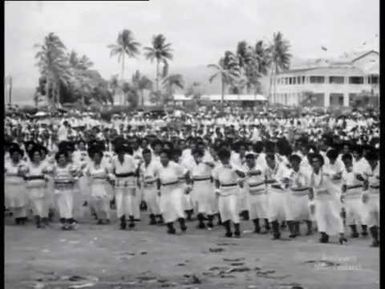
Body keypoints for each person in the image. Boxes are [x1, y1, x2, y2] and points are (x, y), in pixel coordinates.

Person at [309, 154, 347, 244]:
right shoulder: (311, 174)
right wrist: (310, 198)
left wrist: (335, 176)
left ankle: (341, 235)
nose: (315, 163)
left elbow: (337, 176)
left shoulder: (326, 171)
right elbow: (310, 187)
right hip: (319, 199)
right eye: (313, 162)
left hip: (330, 198)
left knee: (335, 216)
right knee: (321, 217)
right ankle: (324, 235)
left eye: (317, 161)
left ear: (321, 163)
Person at [212, 148, 245, 238]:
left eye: (224, 158)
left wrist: (234, 169)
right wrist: (217, 189)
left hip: (233, 189)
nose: (223, 160)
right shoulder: (218, 167)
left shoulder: (234, 165)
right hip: (223, 190)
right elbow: (216, 179)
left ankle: (237, 230)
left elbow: (243, 175)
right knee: (223, 211)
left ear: (228, 158)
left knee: (232, 209)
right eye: (221, 159)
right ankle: (228, 230)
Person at [154, 149, 188, 234]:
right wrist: (158, 189)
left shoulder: (175, 166)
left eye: (165, 157)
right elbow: (158, 179)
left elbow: (186, 173)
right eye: (161, 157)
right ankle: (170, 226)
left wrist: (188, 185)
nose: (163, 159)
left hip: (175, 187)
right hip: (165, 189)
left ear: (168, 158)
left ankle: (181, 221)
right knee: (165, 207)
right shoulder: (158, 167)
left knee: (177, 204)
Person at [111, 142, 138, 230]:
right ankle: (122, 219)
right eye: (119, 153)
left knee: (129, 199)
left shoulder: (130, 158)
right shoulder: (114, 159)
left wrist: (133, 174)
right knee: (119, 200)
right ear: (117, 153)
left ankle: (131, 218)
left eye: (122, 152)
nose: (121, 154)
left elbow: (135, 167)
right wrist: (112, 178)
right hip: (119, 180)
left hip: (129, 178)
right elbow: (112, 170)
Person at [188, 148, 217, 230]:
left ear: (201, 155)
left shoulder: (206, 162)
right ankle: (200, 222)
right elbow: (190, 176)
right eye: (194, 155)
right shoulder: (191, 164)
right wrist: (190, 185)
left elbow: (213, 165)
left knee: (208, 203)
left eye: (197, 155)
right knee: (196, 203)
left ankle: (210, 222)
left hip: (206, 183)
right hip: (196, 184)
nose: (195, 157)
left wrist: (204, 161)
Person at [285, 154, 312, 238]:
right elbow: (286, 183)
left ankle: (309, 229)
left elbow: (310, 182)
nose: (293, 163)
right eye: (292, 161)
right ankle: (296, 230)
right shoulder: (289, 172)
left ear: (299, 162)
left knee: (307, 212)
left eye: (295, 161)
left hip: (304, 193)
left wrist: (310, 192)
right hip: (294, 194)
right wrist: (287, 183)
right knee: (295, 213)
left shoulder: (305, 171)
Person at [341, 153, 367, 238]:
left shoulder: (357, 168)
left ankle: (364, 229)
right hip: (349, 193)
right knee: (349, 213)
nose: (346, 163)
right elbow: (344, 184)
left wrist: (357, 175)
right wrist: (342, 194)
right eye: (344, 162)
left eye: (347, 161)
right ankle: (354, 231)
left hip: (358, 192)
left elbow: (363, 179)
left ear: (351, 160)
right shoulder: (343, 171)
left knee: (361, 213)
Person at [23, 146, 51, 228]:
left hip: (42, 187)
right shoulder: (28, 165)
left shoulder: (44, 164)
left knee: (42, 203)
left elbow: (48, 175)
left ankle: (43, 219)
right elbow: (23, 174)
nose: (37, 156)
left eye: (38, 155)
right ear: (32, 156)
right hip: (32, 187)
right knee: (34, 204)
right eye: (35, 155)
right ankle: (38, 218)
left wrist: (45, 176)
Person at [263, 153, 289, 240]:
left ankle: (292, 231)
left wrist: (275, 181)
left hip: (281, 192)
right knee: (272, 213)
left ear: (274, 160)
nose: (268, 163)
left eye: (269, 161)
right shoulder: (266, 169)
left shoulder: (282, 167)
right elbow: (265, 179)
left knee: (284, 212)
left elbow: (286, 179)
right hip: (271, 192)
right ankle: (276, 232)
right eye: (267, 162)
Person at [243, 153, 269, 234]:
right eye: (247, 161)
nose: (248, 163)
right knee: (253, 212)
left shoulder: (259, 166)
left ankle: (267, 226)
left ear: (254, 160)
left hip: (261, 192)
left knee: (264, 211)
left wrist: (247, 173)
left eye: (250, 161)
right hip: (251, 192)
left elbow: (257, 172)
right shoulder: (245, 167)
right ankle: (257, 227)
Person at [52, 150, 78, 230]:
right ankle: (64, 222)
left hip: (68, 189)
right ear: (57, 159)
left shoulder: (70, 167)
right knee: (61, 206)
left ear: (66, 158)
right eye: (59, 157)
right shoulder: (55, 167)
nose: (61, 159)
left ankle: (68, 221)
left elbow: (77, 176)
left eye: (63, 157)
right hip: (59, 189)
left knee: (69, 205)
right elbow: (53, 178)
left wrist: (73, 179)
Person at [85, 148, 112, 225]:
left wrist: (106, 177)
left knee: (104, 202)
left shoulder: (105, 166)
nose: (96, 158)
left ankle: (107, 218)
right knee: (96, 202)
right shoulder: (90, 167)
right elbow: (87, 175)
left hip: (103, 185)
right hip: (94, 186)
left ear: (101, 157)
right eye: (95, 156)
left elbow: (109, 175)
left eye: (98, 156)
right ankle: (100, 217)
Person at [4, 144, 28, 225]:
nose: (15, 156)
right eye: (14, 154)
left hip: (20, 185)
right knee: (13, 202)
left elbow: (23, 173)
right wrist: (16, 173)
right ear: (11, 155)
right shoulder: (7, 163)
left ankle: (22, 217)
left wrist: (11, 172)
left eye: (17, 154)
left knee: (21, 201)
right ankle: (17, 217)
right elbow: (6, 172)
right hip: (10, 185)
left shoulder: (23, 163)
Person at [362, 151, 380, 247]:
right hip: (370, 193)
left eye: (372, 160)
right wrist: (364, 193)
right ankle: (375, 240)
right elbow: (365, 182)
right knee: (370, 217)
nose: (370, 162)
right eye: (369, 161)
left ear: (376, 160)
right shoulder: (367, 168)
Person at [140, 148, 162, 225]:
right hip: (146, 185)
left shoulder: (156, 164)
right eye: (145, 156)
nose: (147, 158)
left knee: (156, 202)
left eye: (148, 156)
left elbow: (159, 176)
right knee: (148, 201)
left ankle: (160, 217)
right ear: (143, 156)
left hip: (154, 185)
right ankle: (152, 217)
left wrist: (158, 188)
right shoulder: (142, 165)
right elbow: (141, 176)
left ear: (151, 156)